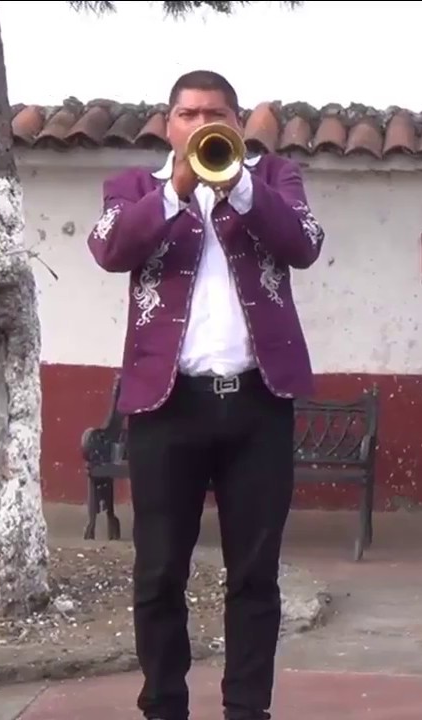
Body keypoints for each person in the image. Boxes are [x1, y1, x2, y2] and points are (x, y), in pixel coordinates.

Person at [86, 69, 325, 720]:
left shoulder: (273, 181)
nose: (200, 124)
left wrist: (238, 185)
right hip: (168, 405)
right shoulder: (135, 188)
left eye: (214, 113)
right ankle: (164, 706)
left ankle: (248, 709)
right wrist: (179, 190)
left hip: (257, 401)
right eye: (187, 114)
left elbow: (303, 243)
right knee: (159, 571)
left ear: (238, 123)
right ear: (169, 125)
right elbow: (110, 248)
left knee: (254, 573)